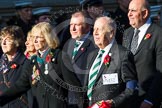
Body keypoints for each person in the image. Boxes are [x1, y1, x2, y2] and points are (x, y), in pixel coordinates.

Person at [0, 22, 82, 108]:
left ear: (48, 38)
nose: (34, 41)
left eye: (38, 37)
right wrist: (2, 99)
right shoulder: (33, 62)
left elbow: (74, 86)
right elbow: (20, 86)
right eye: (33, 38)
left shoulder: (59, 57)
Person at [84, 16, 137, 108]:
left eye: (99, 29)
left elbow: (131, 88)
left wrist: (112, 103)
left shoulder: (122, 55)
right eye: (94, 29)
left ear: (111, 33)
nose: (95, 33)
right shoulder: (91, 55)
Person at [122, 0, 162, 108]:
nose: (129, 14)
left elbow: (160, 72)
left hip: (148, 100)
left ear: (145, 13)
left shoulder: (158, 34)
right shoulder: (127, 33)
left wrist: (150, 100)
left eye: (133, 11)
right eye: (128, 10)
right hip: (129, 99)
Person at [63, 11, 96, 108]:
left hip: (88, 100)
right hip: (70, 100)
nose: (72, 29)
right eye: (71, 25)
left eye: (77, 25)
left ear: (88, 26)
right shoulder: (68, 43)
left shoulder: (95, 44)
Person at [0, 26, 29, 108]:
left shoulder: (26, 64)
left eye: (8, 40)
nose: (3, 43)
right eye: (2, 40)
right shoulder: (1, 64)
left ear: (17, 42)